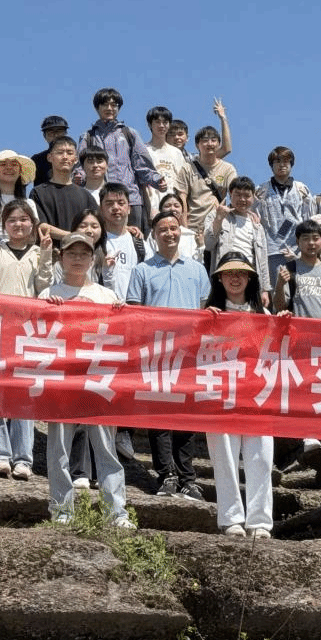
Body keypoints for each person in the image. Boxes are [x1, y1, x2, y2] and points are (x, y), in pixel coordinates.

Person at [40, 232, 135, 530]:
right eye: (72, 252)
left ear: (92, 258)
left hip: (99, 381)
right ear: (61, 257)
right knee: (59, 450)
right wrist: (47, 311)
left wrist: (122, 313)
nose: (78, 257)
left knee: (106, 449)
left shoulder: (107, 296)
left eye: (84, 253)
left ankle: (116, 512)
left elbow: (125, 335)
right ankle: (62, 510)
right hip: (61, 383)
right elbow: (35, 334)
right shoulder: (47, 293)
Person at [127, 209, 211, 500]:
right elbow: (134, 314)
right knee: (159, 417)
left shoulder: (197, 269)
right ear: (154, 235)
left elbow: (205, 310)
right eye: (163, 229)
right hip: (157, 353)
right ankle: (167, 475)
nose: (169, 233)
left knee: (186, 418)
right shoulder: (142, 270)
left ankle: (188, 478)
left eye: (174, 228)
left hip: (189, 353)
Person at [0, 200, 52, 481]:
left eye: (24, 219)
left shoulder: (38, 254)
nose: (19, 224)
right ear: (4, 225)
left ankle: (23, 458)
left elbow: (45, 289)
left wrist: (45, 256)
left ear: (33, 223)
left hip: (28, 334)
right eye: (12, 220)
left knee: (23, 396)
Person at [203, 253, 273, 540]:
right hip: (221, 393)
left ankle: (260, 520)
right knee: (225, 457)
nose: (235, 278)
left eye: (241, 273)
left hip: (257, 395)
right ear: (219, 278)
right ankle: (231, 517)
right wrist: (203, 324)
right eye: (229, 273)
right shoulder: (208, 314)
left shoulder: (265, 316)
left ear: (250, 278)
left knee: (261, 458)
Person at [77, 88, 164, 232]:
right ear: (97, 107)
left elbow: (141, 165)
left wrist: (156, 179)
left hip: (131, 199)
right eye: (105, 104)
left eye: (114, 105)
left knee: (134, 241)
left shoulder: (129, 133)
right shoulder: (88, 136)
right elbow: (80, 165)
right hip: (100, 199)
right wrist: (78, 178)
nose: (110, 108)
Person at [173, 125, 237, 268]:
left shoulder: (228, 168)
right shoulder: (188, 168)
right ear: (197, 145)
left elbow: (235, 194)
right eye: (205, 140)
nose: (210, 144)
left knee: (216, 271)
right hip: (193, 228)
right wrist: (184, 227)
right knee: (191, 270)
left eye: (214, 140)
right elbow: (181, 198)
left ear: (219, 144)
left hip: (217, 226)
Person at [205, 176, 271, 305]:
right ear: (230, 194)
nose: (242, 199)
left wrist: (265, 290)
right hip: (224, 277)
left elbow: (262, 260)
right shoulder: (215, 215)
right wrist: (218, 219)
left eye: (247, 196)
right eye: (238, 195)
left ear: (253, 197)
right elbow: (208, 244)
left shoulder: (257, 225)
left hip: (249, 278)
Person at [254, 146, 315, 278]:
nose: (282, 165)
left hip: (297, 249)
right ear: (271, 165)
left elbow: (309, 220)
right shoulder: (261, 190)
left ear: (291, 164)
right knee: (277, 292)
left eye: (286, 162)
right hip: (271, 250)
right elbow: (255, 219)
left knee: (298, 290)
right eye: (277, 162)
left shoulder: (301, 189)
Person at [32, 136, 97, 241]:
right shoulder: (38, 192)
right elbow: (41, 226)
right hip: (51, 253)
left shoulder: (86, 196)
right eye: (60, 152)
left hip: (82, 254)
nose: (65, 157)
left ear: (75, 159)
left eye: (70, 153)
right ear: (49, 157)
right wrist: (74, 236)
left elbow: (97, 226)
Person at [272, 219, 321, 318]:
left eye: (315, 238)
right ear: (297, 241)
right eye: (305, 238)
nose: (311, 243)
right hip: (299, 329)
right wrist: (280, 285)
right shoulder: (288, 269)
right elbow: (280, 307)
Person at [30, 115, 69, 187]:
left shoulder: (75, 158)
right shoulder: (37, 160)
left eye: (59, 131)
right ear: (44, 136)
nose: (56, 135)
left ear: (66, 133)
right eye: (51, 132)